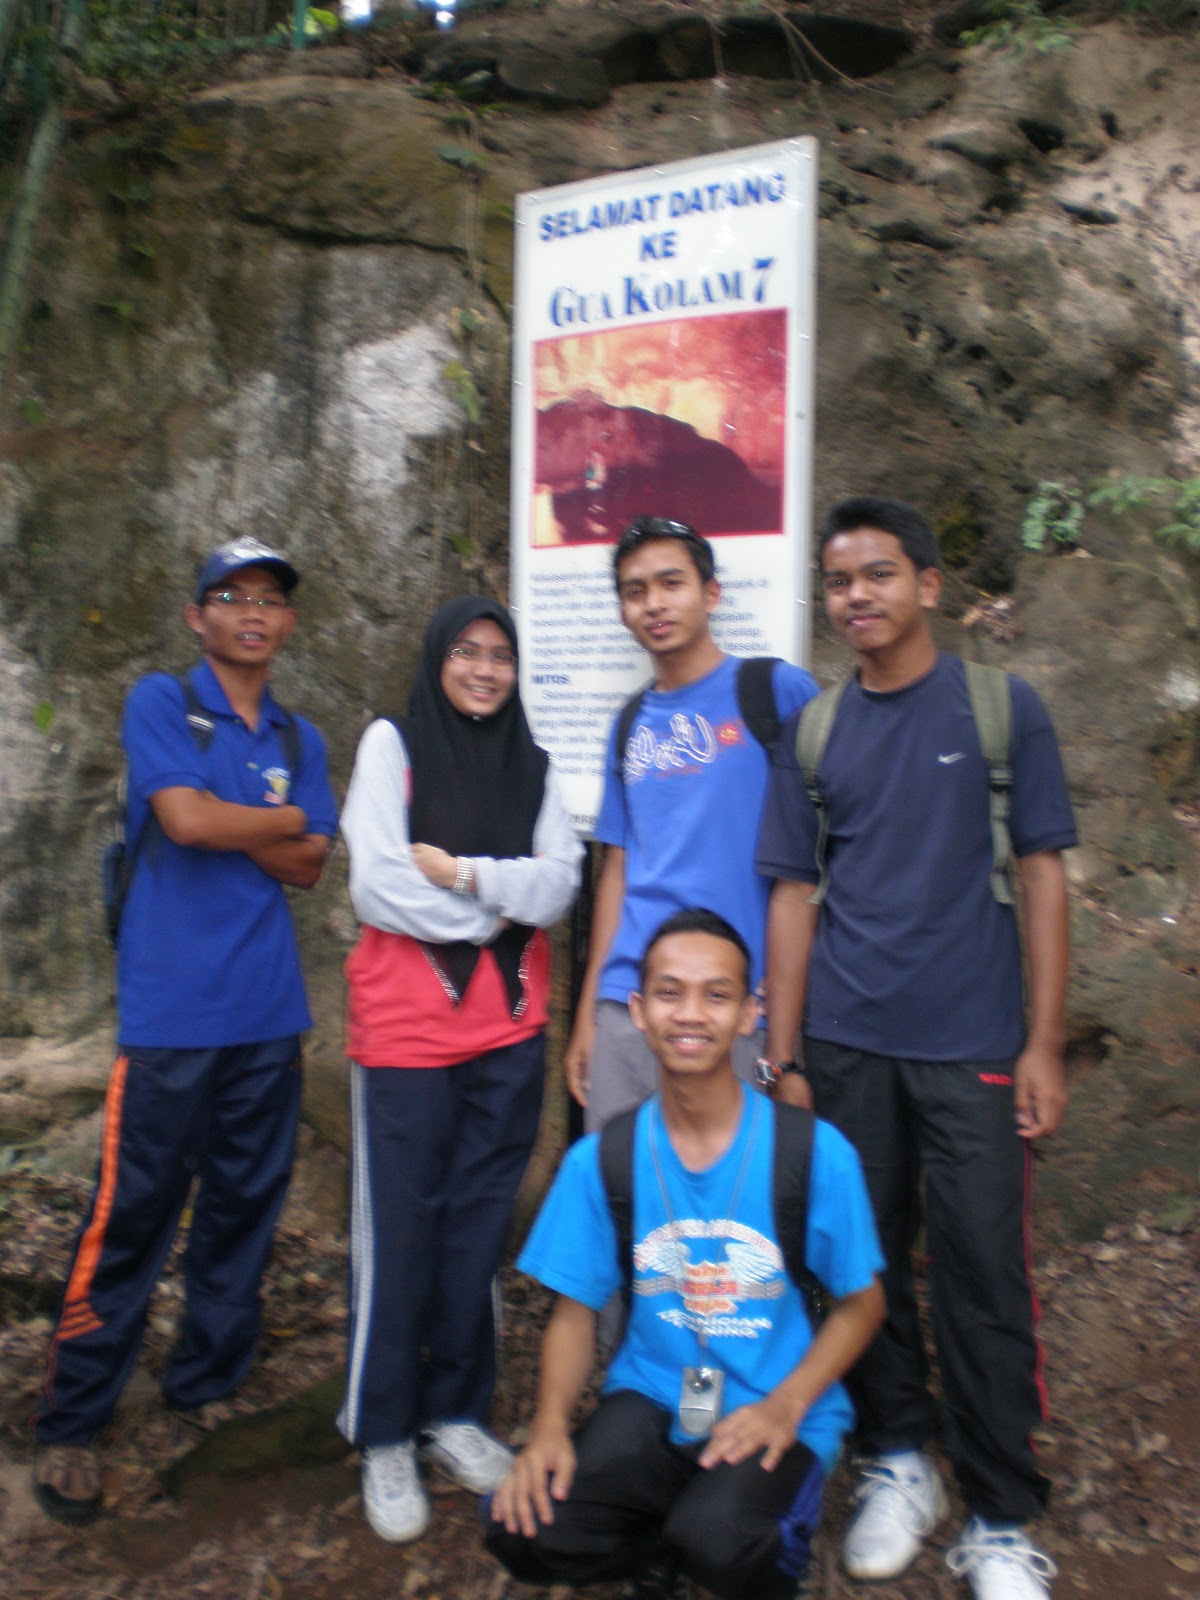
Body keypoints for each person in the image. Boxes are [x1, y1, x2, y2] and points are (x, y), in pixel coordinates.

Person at [757, 496, 1076, 1600]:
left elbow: (1040, 872)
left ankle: (999, 1510)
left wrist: (1043, 1041)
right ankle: (898, 1456)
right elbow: (793, 894)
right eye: (841, 581)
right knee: (864, 1260)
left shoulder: (1001, 711)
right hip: (846, 1042)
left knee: (986, 1273)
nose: (858, 596)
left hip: (975, 1044)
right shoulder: (817, 730)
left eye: (879, 574)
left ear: (928, 585)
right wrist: (784, 1054)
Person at [33, 536, 338, 1524]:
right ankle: (72, 1421)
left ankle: (205, 1383)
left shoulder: (299, 737)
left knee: (246, 1208)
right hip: (170, 1014)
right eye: (231, 596)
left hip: (266, 1010)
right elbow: (183, 823)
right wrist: (259, 821)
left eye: (270, 599)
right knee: (132, 1213)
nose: (253, 612)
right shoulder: (163, 702)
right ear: (198, 615)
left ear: (288, 621)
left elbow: (312, 863)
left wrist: (228, 815)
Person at [487, 908, 886, 1600]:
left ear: (749, 1011)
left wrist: (788, 1404)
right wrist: (550, 1428)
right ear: (639, 1011)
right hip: (651, 1394)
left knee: (726, 1544)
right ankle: (667, 1548)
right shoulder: (603, 1159)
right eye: (669, 993)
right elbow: (575, 1314)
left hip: (771, 1401)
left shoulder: (812, 1153)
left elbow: (862, 1304)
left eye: (717, 994)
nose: (690, 1014)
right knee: (523, 1529)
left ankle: (743, 1541)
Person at [338, 596, 583, 1544]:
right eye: (467, 653)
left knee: (479, 1225)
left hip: (508, 1035)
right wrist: (498, 909)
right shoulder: (392, 746)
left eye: (500, 657)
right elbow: (377, 884)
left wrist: (471, 880)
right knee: (401, 1227)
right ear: (439, 659)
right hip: (405, 1035)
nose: (484, 670)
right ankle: (385, 1429)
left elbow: (558, 884)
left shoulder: (538, 764)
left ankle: (454, 1409)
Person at [565, 516, 819, 1133]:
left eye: (670, 583)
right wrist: (587, 1016)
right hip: (632, 1005)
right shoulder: (627, 725)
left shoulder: (775, 692)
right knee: (623, 1196)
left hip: (735, 1004)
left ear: (711, 593)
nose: (654, 603)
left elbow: (832, 846)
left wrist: (785, 1042)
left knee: (733, 1204)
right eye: (634, 590)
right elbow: (617, 871)